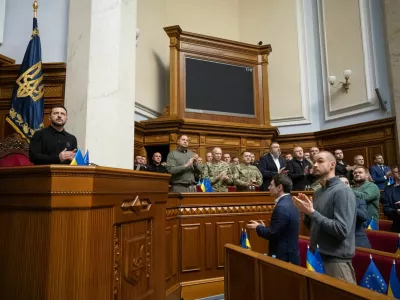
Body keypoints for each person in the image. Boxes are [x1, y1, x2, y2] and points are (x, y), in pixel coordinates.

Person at [293, 151, 357, 283]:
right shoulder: (319, 192)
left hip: (335, 261)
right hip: (317, 257)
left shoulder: (342, 191)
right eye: (314, 162)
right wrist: (305, 211)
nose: (315, 165)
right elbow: (314, 226)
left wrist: (312, 213)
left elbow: (342, 230)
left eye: (320, 161)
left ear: (332, 164)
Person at [247, 174, 300, 265]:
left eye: (271, 185)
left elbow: (273, 233)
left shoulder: (281, 207)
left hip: (283, 257)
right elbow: (281, 230)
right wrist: (263, 227)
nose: (268, 187)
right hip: (290, 254)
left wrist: (258, 227)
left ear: (279, 187)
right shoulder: (291, 201)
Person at [340, 176, 371, 248]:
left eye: (346, 183)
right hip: (339, 242)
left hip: (357, 240)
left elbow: (364, 217)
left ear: (350, 186)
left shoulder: (359, 201)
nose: (344, 185)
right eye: (341, 183)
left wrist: (348, 203)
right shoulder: (332, 202)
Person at [383, 166, 400, 232]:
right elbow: (386, 209)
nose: (399, 173)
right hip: (397, 223)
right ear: (392, 174)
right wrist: (396, 211)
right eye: (397, 172)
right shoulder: (388, 189)